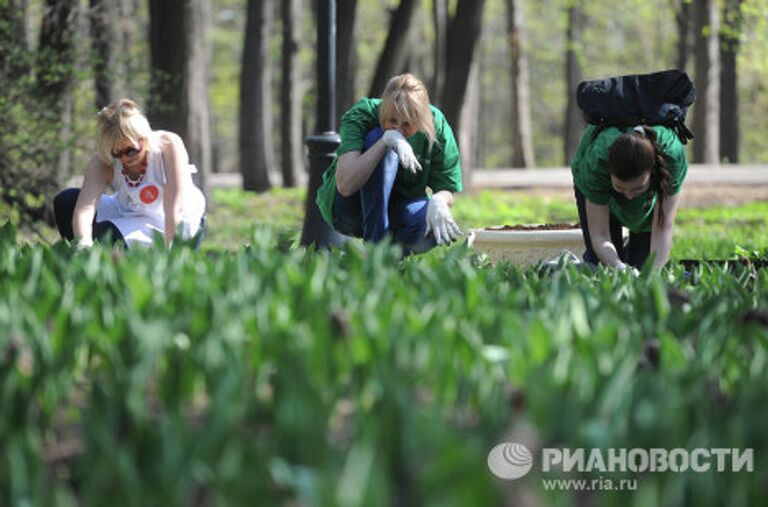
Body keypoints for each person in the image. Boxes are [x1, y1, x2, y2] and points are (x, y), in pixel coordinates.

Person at [315, 73, 463, 254]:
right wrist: (386, 141)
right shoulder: (363, 114)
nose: (399, 128)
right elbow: (345, 185)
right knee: (378, 137)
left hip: (401, 210)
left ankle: (391, 263)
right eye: (392, 121)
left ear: (421, 120)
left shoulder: (436, 125)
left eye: (407, 124)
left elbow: (447, 188)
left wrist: (439, 201)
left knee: (432, 221)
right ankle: (374, 253)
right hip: (350, 208)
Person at [53, 99, 206, 249]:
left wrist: (169, 250)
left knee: (108, 237)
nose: (124, 158)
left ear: (144, 139)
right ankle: (83, 263)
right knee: (66, 201)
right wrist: (83, 244)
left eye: (131, 151)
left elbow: (174, 207)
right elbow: (85, 209)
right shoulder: (102, 162)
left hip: (173, 219)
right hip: (130, 211)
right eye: (116, 153)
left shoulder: (168, 145)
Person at [571, 124, 688, 271]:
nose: (629, 196)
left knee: (644, 266)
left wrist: (654, 273)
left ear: (652, 169)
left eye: (637, 188)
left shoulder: (672, 157)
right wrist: (618, 267)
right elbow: (600, 235)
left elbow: (663, 226)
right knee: (602, 268)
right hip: (596, 180)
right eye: (620, 188)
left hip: (653, 185)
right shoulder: (597, 163)